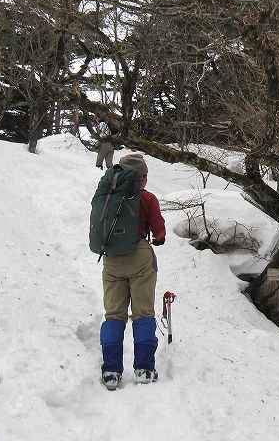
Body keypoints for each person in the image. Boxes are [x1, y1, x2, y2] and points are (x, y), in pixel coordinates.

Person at [99, 153, 166, 389]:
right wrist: (158, 238)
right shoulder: (148, 199)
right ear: (142, 178)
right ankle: (144, 369)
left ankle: (111, 371)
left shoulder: (107, 196)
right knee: (143, 313)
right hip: (140, 258)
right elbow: (159, 232)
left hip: (112, 259)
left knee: (114, 315)